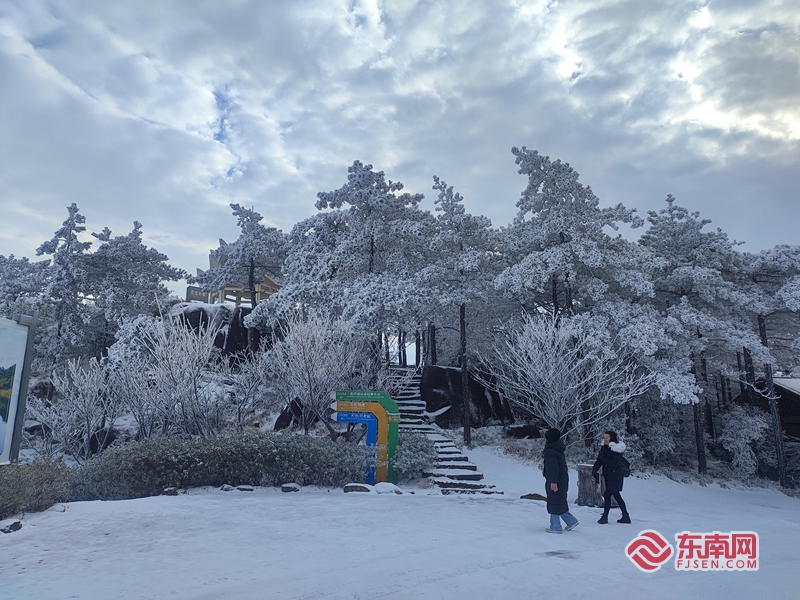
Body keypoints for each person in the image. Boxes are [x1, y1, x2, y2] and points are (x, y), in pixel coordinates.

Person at [542, 428, 579, 533]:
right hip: (562, 479)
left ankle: (555, 526)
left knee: (554, 502)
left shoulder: (551, 450)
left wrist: (553, 482)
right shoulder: (557, 447)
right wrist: (545, 470)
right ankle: (571, 521)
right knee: (559, 502)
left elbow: (554, 468)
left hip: (556, 481)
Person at [592, 430, 630, 524]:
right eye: (604, 437)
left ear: (611, 438)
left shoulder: (616, 449)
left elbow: (616, 463)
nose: (605, 439)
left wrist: (604, 460)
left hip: (616, 476)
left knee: (607, 495)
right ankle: (625, 516)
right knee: (616, 495)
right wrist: (594, 469)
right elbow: (599, 460)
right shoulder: (604, 448)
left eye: (607, 437)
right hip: (608, 475)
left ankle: (605, 517)